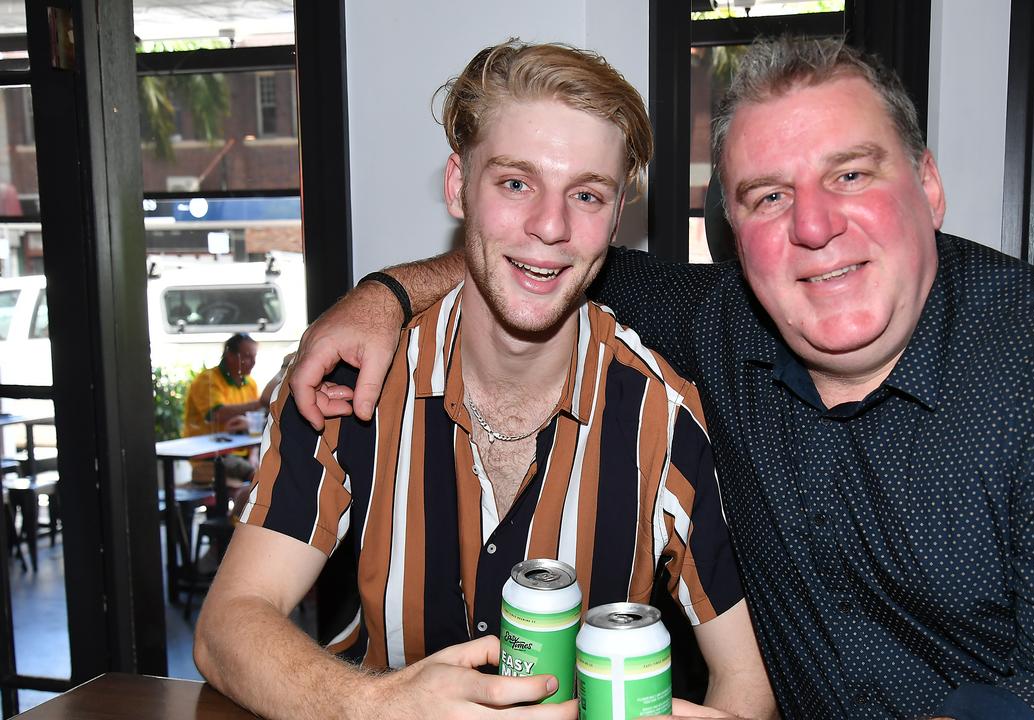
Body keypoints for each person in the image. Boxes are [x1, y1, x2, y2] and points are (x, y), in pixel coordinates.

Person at [292, 37, 1034, 720]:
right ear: (731, 229)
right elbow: (542, 256)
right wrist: (380, 296)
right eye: (768, 196)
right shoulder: (729, 321)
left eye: (851, 174)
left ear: (928, 184)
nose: (813, 226)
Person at [194, 40, 775, 720]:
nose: (549, 227)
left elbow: (750, 681)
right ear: (457, 185)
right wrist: (373, 706)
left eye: (586, 194)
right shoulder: (353, 382)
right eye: (515, 183)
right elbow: (227, 622)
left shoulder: (665, 418)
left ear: (616, 217)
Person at [182, 332, 267, 484]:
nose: (253, 362)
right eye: (247, 356)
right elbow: (216, 414)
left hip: (243, 451)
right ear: (230, 356)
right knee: (257, 477)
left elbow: (254, 424)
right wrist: (259, 403)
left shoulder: (250, 383)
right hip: (210, 456)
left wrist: (254, 454)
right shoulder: (208, 380)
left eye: (255, 356)